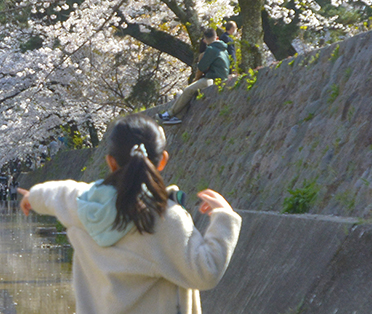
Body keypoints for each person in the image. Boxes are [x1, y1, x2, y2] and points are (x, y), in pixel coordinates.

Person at [18, 114, 240, 314]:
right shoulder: (163, 219)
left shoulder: (82, 203)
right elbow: (205, 270)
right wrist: (224, 218)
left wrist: (32, 197)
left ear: (110, 162)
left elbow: (56, 193)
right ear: (162, 160)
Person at [160, 28, 231, 125]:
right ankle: (178, 117)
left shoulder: (211, 49)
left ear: (205, 40)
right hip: (223, 79)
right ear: (217, 37)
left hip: (212, 79)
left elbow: (201, 68)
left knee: (189, 89)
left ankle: (169, 114)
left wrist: (196, 79)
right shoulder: (224, 50)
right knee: (191, 92)